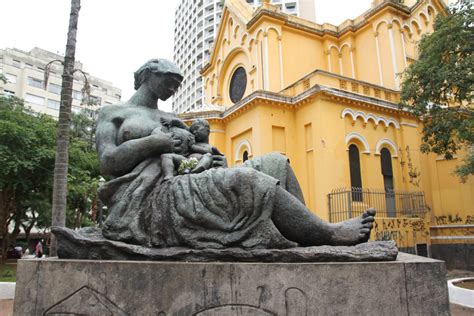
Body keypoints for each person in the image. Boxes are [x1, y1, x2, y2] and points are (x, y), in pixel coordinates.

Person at [95, 58, 375, 250]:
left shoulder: (171, 117)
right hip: (151, 193)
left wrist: (218, 161)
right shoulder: (114, 114)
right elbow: (108, 162)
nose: (173, 88)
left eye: (177, 84)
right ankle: (328, 234)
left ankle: (304, 239)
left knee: (276, 162)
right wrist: (153, 144)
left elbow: (196, 153)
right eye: (169, 81)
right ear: (150, 73)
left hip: (187, 177)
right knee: (246, 180)